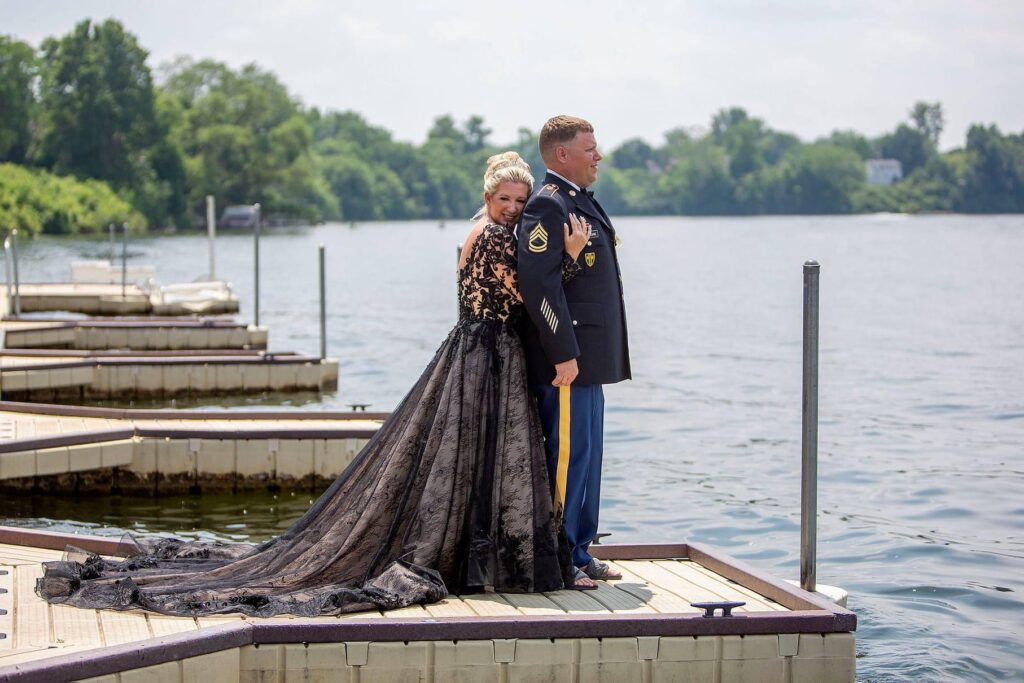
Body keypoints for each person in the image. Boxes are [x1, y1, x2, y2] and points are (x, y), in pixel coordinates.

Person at [35, 152, 596, 618]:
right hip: (487, 357)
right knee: (479, 460)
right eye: (507, 201)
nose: (516, 211)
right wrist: (569, 259)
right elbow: (531, 294)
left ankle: (479, 556)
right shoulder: (496, 240)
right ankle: (489, 558)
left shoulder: (476, 232)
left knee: (469, 462)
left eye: (522, 203)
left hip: (474, 353)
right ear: (488, 197)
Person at [517, 116, 631, 582]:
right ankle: (561, 556)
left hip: (590, 360)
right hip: (567, 361)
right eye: (590, 148)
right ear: (562, 154)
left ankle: (581, 550)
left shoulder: (579, 201)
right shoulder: (548, 206)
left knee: (588, 454)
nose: (598, 155)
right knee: (566, 459)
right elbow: (538, 285)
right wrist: (563, 351)